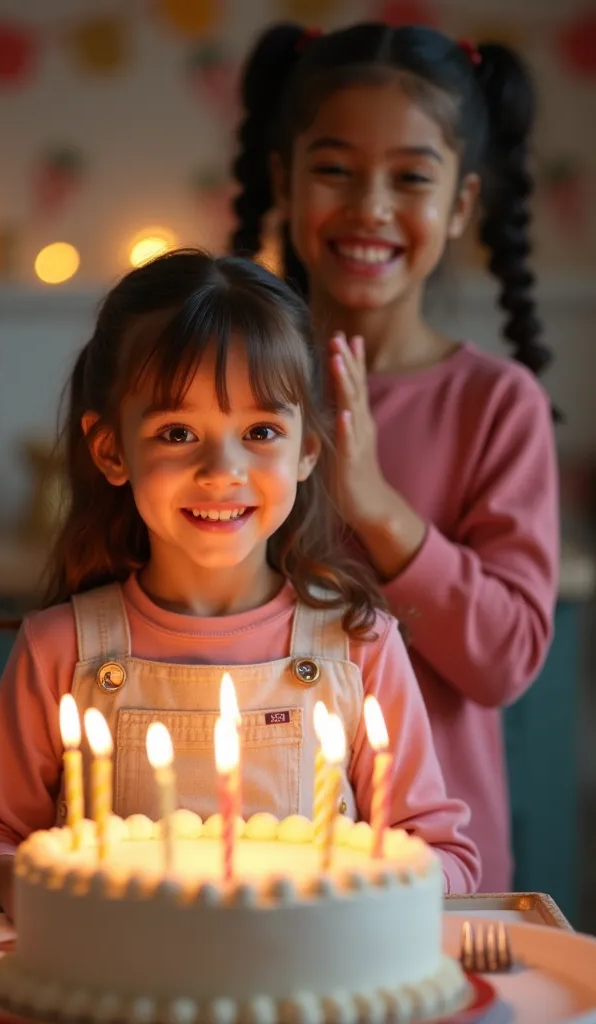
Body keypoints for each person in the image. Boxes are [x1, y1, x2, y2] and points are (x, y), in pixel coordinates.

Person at [0, 251, 479, 918]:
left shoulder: (359, 647)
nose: (223, 470)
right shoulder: (60, 652)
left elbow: (443, 853)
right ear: (110, 449)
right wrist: (44, 897)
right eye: (178, 432)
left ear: (308, 447)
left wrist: (380, 899)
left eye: (260, 432)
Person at [230, 23, 559, 892]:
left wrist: (376, 506)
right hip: (237, 847)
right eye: (335, 169)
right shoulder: (226, 389)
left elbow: (507, 658)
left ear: (460, 206)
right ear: (283, 182)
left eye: (410, 177)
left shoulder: (496, 406)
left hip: (430, 877)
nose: (370, 206)